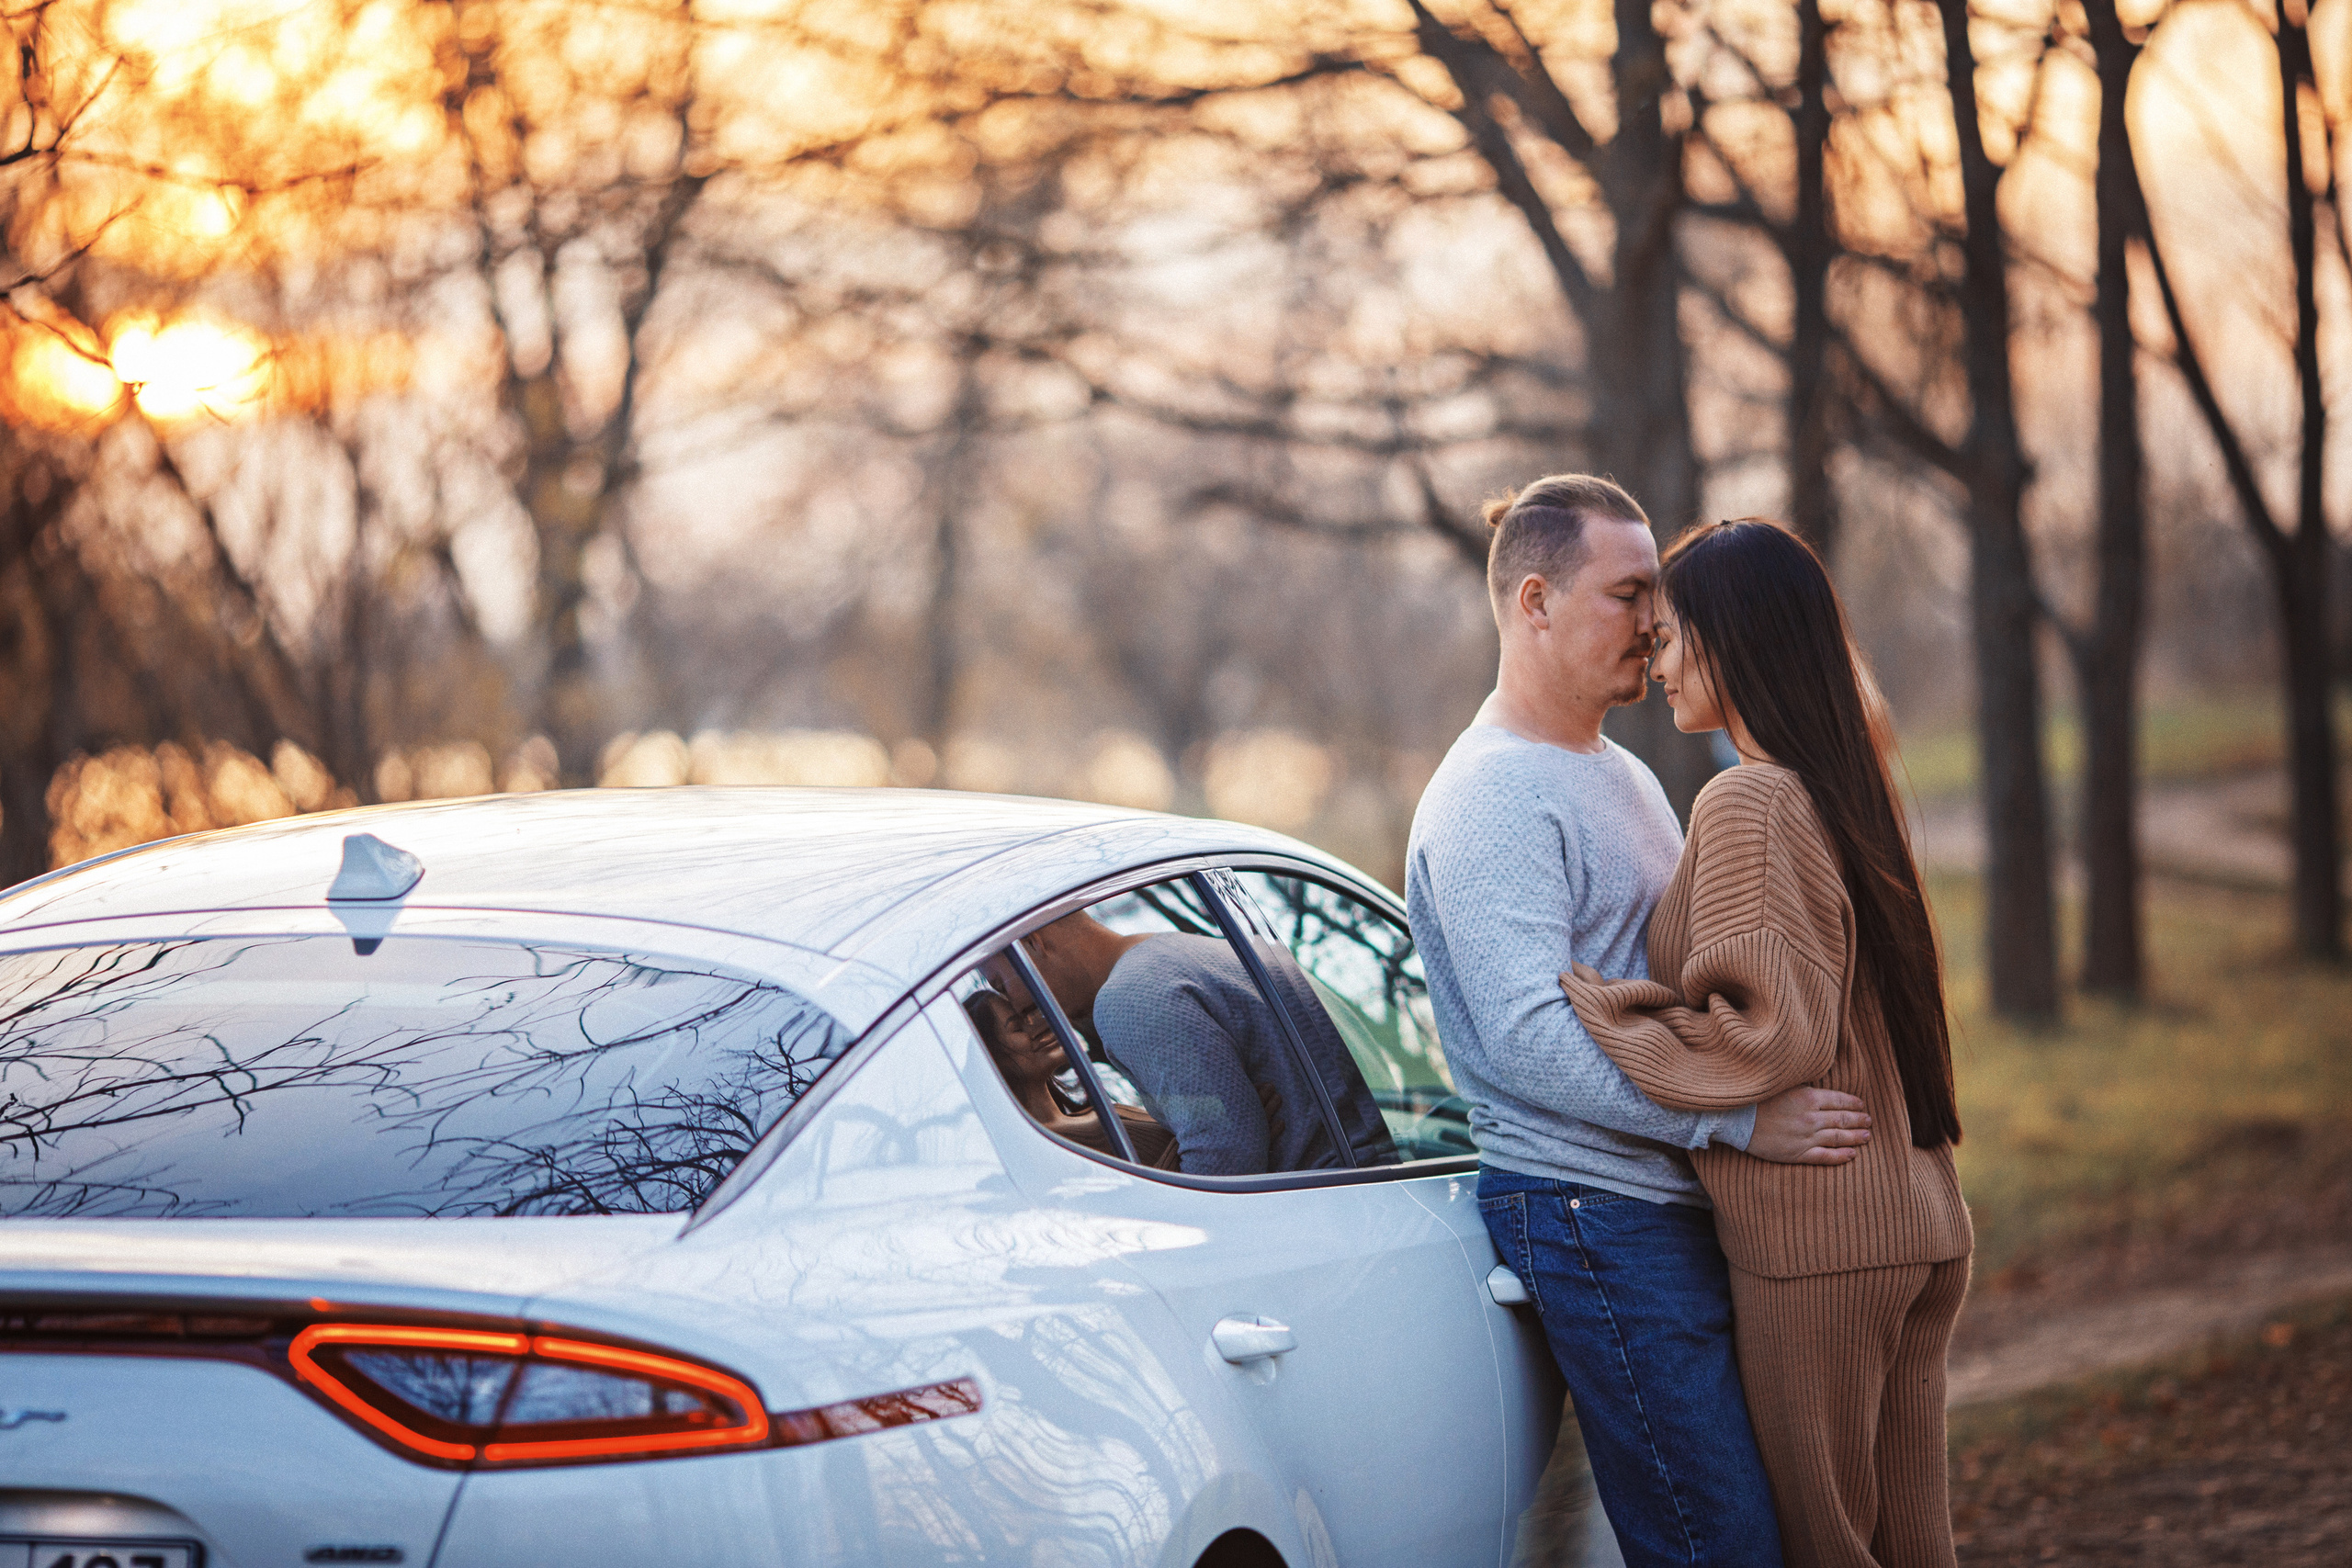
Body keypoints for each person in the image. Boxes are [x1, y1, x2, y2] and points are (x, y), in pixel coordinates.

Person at [1406, 474, 1876, 1568]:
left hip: (1667, 1204)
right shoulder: (1488, 799)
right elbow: (1529, 1040)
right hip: (1590, 1211)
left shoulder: (1621, 776)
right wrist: (1736, 1124)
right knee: (1716, 1546)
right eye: (1628, 594)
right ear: (1534, 602)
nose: (1656, 621)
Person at [1561, 517, 1973, 1568]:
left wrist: (1611, 1012)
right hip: (1913, 1216)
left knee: (1821, 1548)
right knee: (1909, 1546)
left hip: (1820, 1239)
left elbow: (1770, 1035)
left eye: (1674, 635)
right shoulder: (1845, 784)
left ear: (1733, 639)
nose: (1657, 662)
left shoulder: (1748, 796)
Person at [1008, 909, 1395, 1175]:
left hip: (1337, 1214)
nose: (1017, 1007)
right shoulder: (1185, 951)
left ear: (1034, 944)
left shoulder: (1130, 998)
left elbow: (1225, 1153)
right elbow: (1228, 1129)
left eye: (999, 983)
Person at [963, 988, 1181, 1168]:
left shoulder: (1088, 1111)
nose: (1040, 1025)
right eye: (1018, 1027)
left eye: (1031, 1016)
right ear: (992, 1061)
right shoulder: (1051, 1149)